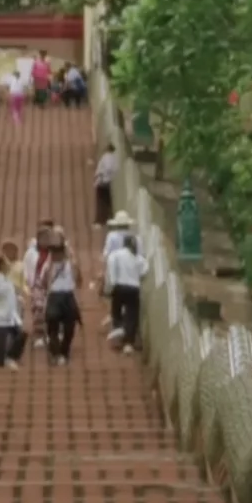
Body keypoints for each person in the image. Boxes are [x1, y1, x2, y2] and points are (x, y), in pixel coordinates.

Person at [102, 211, 146, 354]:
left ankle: (118, 330)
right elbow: (142, 261)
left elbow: (107, 256)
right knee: (132, 312)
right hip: (133, 283)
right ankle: (129, 341)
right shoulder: (136, 239)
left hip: (118, 281)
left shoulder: (112, 238)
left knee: (116, 308)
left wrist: (109, 282)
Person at [37, 236, 82, 365]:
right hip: (54, 296)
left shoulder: (71, 264)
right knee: (52, 325)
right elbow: (44, 283)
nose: (56, 254)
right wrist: (50, 268)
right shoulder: (48, 265)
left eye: (59, 251)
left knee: (70, 327)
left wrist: (73, 261)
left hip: (68, 295)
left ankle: (64, 351)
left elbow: (79, 281)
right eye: (54, 252)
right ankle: (55, 352)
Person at [93, 146, 120, 227]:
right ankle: (109, 217)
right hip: (108, 182)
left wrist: (101, 174)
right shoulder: (115, 158)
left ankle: (100, 220)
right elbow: (116, 170)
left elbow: (107, 168)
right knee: (108, 201)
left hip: (102, 181)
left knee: (101, 202)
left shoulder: (107, 157)